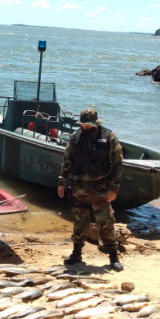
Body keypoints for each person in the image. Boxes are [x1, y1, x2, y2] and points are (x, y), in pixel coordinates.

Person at [57, 108, 124, 271]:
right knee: (79, 221)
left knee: (106, 222)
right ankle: (76, 253)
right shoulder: (75, 137)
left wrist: (114, 189)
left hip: (100, 188)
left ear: (95, 124)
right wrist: (62, 181)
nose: (84, 128)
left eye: (87, 125)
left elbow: (118, 164)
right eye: (82, 124)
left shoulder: (109, 137)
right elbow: (68, 160)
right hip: (78, 187)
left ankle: (113, 256)